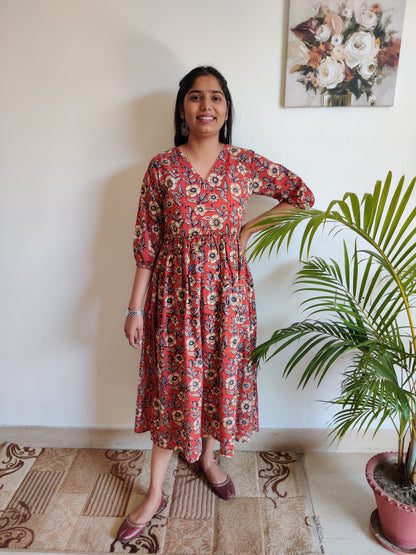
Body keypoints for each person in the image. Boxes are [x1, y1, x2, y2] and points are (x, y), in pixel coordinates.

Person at [117, 66, 314, 543]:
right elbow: (148, 242)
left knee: (217, 377)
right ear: (183, 108)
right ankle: (155, 492)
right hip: (173, 294)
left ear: (226, 110)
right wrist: (134, 308)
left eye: (216, 97)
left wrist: (248, 230)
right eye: (195, 97)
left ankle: (207, 457)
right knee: (171, 388)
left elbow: (301, 195)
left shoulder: (243, 163)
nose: (206, 105)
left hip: (229, 295)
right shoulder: (161, 168)